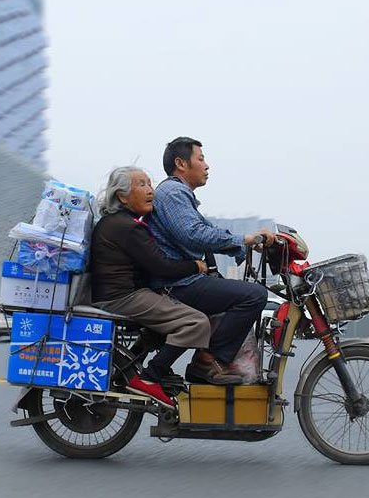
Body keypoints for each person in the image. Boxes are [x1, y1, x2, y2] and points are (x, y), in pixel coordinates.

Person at [147, 137, 272, 385]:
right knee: (254, 295)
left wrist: (247, 243)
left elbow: (207, 229)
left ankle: (164, 368)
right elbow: (193, 234)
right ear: (181, 163)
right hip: (179, 283)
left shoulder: (179, 195)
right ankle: (209, 360)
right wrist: (246, 238)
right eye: (201, 159)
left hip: (181, 279)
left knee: (232, 295)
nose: (207, 166)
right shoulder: (173, 192)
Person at [90, 166, 215, 405]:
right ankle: (149, 378)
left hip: (120, 293)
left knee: (166, 321)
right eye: (142, 185)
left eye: (150, 184)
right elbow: (161, 266)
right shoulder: (127, 227)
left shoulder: (119, 223)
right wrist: (195, 266)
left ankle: (133, 366)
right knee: (196, 322)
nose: (151, 191)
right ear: (122, 197)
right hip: (122, 297)